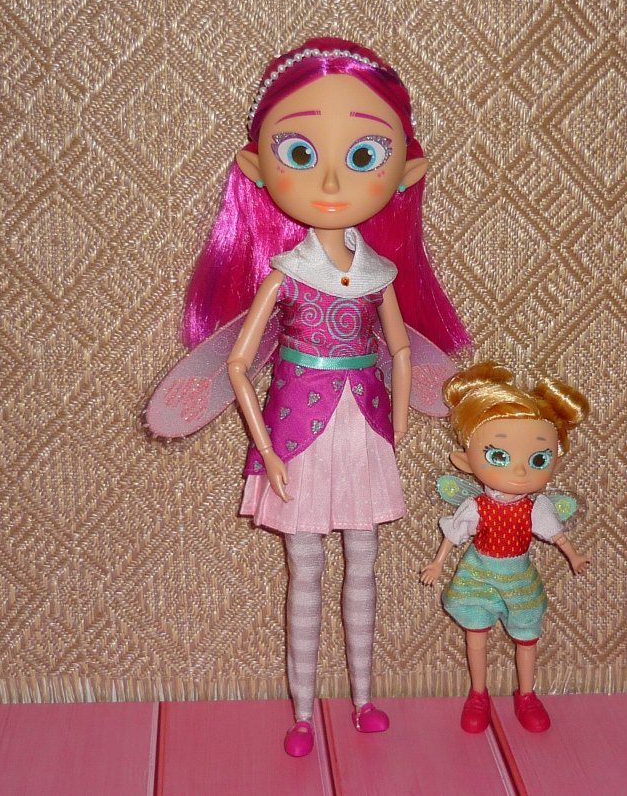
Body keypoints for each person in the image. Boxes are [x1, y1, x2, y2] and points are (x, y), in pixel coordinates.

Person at [181, 37, 470, 757]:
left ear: (406, 173)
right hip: (297, 434)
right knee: (305, 570)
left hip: (364, 430)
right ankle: (304, 712)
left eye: (365, 155)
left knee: (364, 564)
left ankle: (365, 697)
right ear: (257, 168)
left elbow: (399, 351)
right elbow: (239, 366)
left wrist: (397, 425)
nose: (334, 181)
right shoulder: (284, 275)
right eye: (301, 154)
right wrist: (267, 450)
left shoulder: (379, 275)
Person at [421, 361, 589, 733]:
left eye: (538, 459)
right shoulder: (476, 506)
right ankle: (478, 694)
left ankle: (526, 694)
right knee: (475, 633)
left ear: (555, 461)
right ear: (464, 461)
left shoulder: (536, 508)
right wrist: (438, 563)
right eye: (499, 456)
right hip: (478, 574)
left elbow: (556, 535)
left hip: (518, 576)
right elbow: (455, 534)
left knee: (527, 636)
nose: (519, 471)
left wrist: (574, 555)